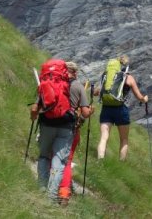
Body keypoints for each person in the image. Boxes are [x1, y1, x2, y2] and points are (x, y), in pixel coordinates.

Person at [30, 59, 76, 203]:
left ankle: (42, 188)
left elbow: (34, 109)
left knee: (44, 156)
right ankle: (51, 196)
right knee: (59, 161)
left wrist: (34, 116)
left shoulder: (44, 86)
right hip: (66, 126)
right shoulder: (69, 86)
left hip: (47, 125)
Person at [96, 55, 148, 161]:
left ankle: (100, 161)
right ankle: (122, 162)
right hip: (121, 109)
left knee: (104, 137)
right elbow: (139, 97)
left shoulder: (106, 76)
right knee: (124, 139)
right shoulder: (128, 78)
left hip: (106, 108)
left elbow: (97, 92)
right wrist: (145, 99)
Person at [58, 62, 92, 205]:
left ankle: (46, 186)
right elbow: (84, 113)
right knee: (66, 160)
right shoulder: (78, 86)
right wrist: (90, 111)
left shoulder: (54, 82)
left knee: (50, 156)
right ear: (75, 73)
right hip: (70, 128)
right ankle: (64, 193)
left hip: (50, 124)